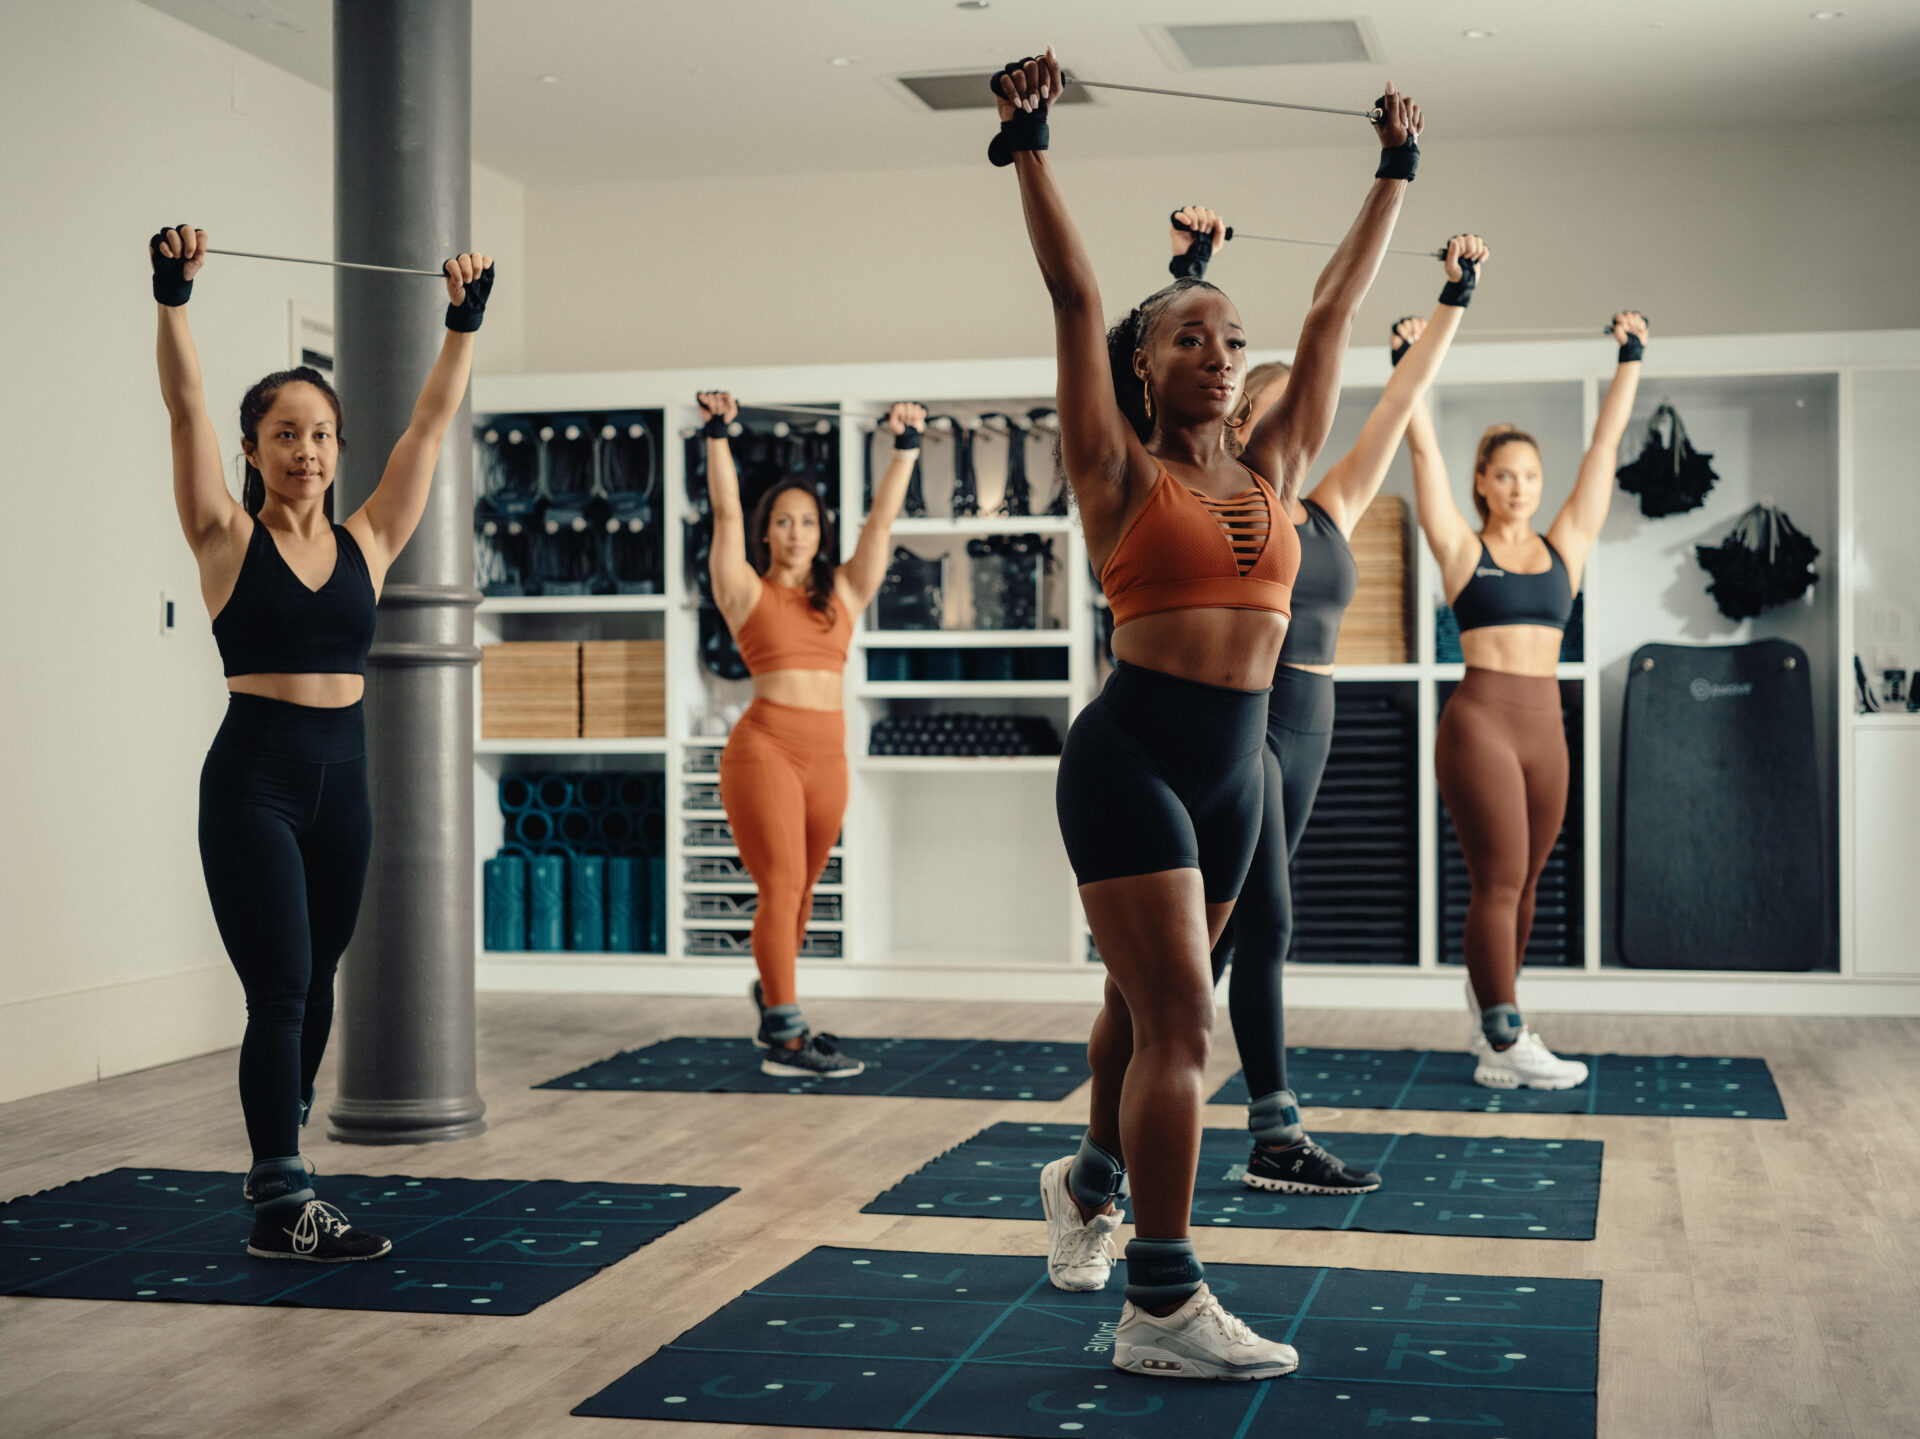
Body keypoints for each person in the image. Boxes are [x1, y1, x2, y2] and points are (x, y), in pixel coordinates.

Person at [995, 48, 1421, 1379]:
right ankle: (1164, 1304)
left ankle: (1084, 1180)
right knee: (1183, 1024)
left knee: (1150, 1000)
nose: (1224, 355)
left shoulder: (1280, 463)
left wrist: (1393, 171)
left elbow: (1338, 306)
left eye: (1234, 340)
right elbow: (1070, 288)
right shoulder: (1112, 467)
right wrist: (1033, 141)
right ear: (1140, 362)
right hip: (1130, 759)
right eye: (1192, 335)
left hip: (1236, 773)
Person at [152, 223, 495, 1260]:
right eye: (285, 432)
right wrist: (173, 299)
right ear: (253, 449)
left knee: (320, 983)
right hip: (254, 778)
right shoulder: (223, 535)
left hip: (344, 781)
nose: (307, 449)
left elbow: (431, 427)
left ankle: (280, 1143)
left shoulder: (371, 539)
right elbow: (184, 405)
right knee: (283, 986)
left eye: (322, 433)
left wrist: (462, 325)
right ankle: (282, 1198)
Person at [1173, 208, 1492, 1189]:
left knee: (1235, 930)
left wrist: (1454, 297)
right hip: (1248, 724)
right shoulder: (1230, 498)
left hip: (1314, 726)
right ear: (1244, 426)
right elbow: (1161, 379)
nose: (1290, 423)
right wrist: (1191, 268)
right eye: (1267, 410)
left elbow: (1401, 397)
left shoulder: (1329, 503)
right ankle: (1270, 1131)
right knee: (1261, 918)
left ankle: (1129, 1117)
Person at [1407, 310, 1649, 1088]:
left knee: (1530, 881)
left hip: (1546, 726)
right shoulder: (1459, 546)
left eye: (1531, 477)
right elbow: (1419, 447)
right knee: (1498, 879)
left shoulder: (1564, 545)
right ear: (1482, 480)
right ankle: (1509, 1035)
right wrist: (1409, 362)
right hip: (1479, 721)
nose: (1520, 488)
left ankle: (1490, 1025)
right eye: (1505, 474)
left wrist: (1631, 361)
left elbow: (1604, 450)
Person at [701, 392, 926, 1077]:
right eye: (782, 522)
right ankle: (787, 1037)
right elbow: (725, 511)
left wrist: (906, 447)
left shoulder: (846, 590)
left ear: (820, 531)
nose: (796, 532)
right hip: (764, 747)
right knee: (781, 884)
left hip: (828, 754)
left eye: (806, 521)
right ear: (767, 533)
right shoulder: (743, 590)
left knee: (801, 895)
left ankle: (776, 993)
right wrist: (718, 434)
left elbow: (882, 521)